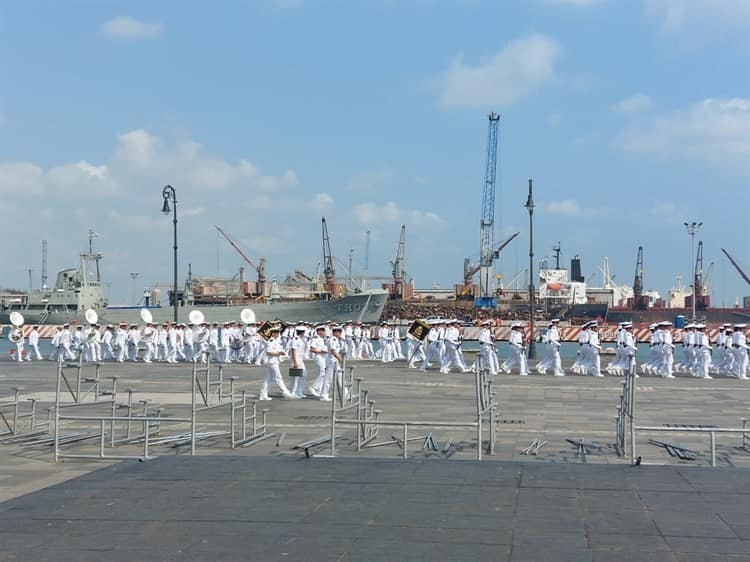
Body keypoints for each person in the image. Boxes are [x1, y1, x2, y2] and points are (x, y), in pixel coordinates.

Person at [259, 327, 294, 401]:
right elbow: (268, 352)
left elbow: (279, 350)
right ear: (273, 333)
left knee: (269, 379)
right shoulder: (271, 341)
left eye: (278, 332)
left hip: (276, 361)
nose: (278, 334)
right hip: (272, 362)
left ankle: (263, 394)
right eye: (276, 332)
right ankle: (285, 392)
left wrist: (282, 354)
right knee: (278, 378)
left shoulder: (277, 340)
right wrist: (279, 353)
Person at [321, 325, 345, 401]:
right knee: (328, 379)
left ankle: (346, 394)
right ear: (335, 332)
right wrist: (340, 359)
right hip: (332, 361)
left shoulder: (336, 339)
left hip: (334, 361)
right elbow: (333, 351)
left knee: (341, 377)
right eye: (339, 332)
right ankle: (324, 394)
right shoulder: (333, 339)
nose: (340, 333)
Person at [309, 325, 330, 400]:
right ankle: (313, 387)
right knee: (322, 373)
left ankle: (319, 391)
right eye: (323, 331)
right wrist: (321, 351)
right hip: (318, 357)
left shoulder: (323, 339)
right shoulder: (315, 339)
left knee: (323, 374)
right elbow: (312, 349)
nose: (325, 332)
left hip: (323, 357)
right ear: (319, 331)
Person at [289, 325, 308, 398]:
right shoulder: (295, 339)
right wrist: (295, 362)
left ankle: (299, 391)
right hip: (295, 359)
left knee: (304, 375)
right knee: (295, 377)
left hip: (300, 360)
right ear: (302, 332)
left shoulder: (301, 339)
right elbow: (293, 351)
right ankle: (293, 392)